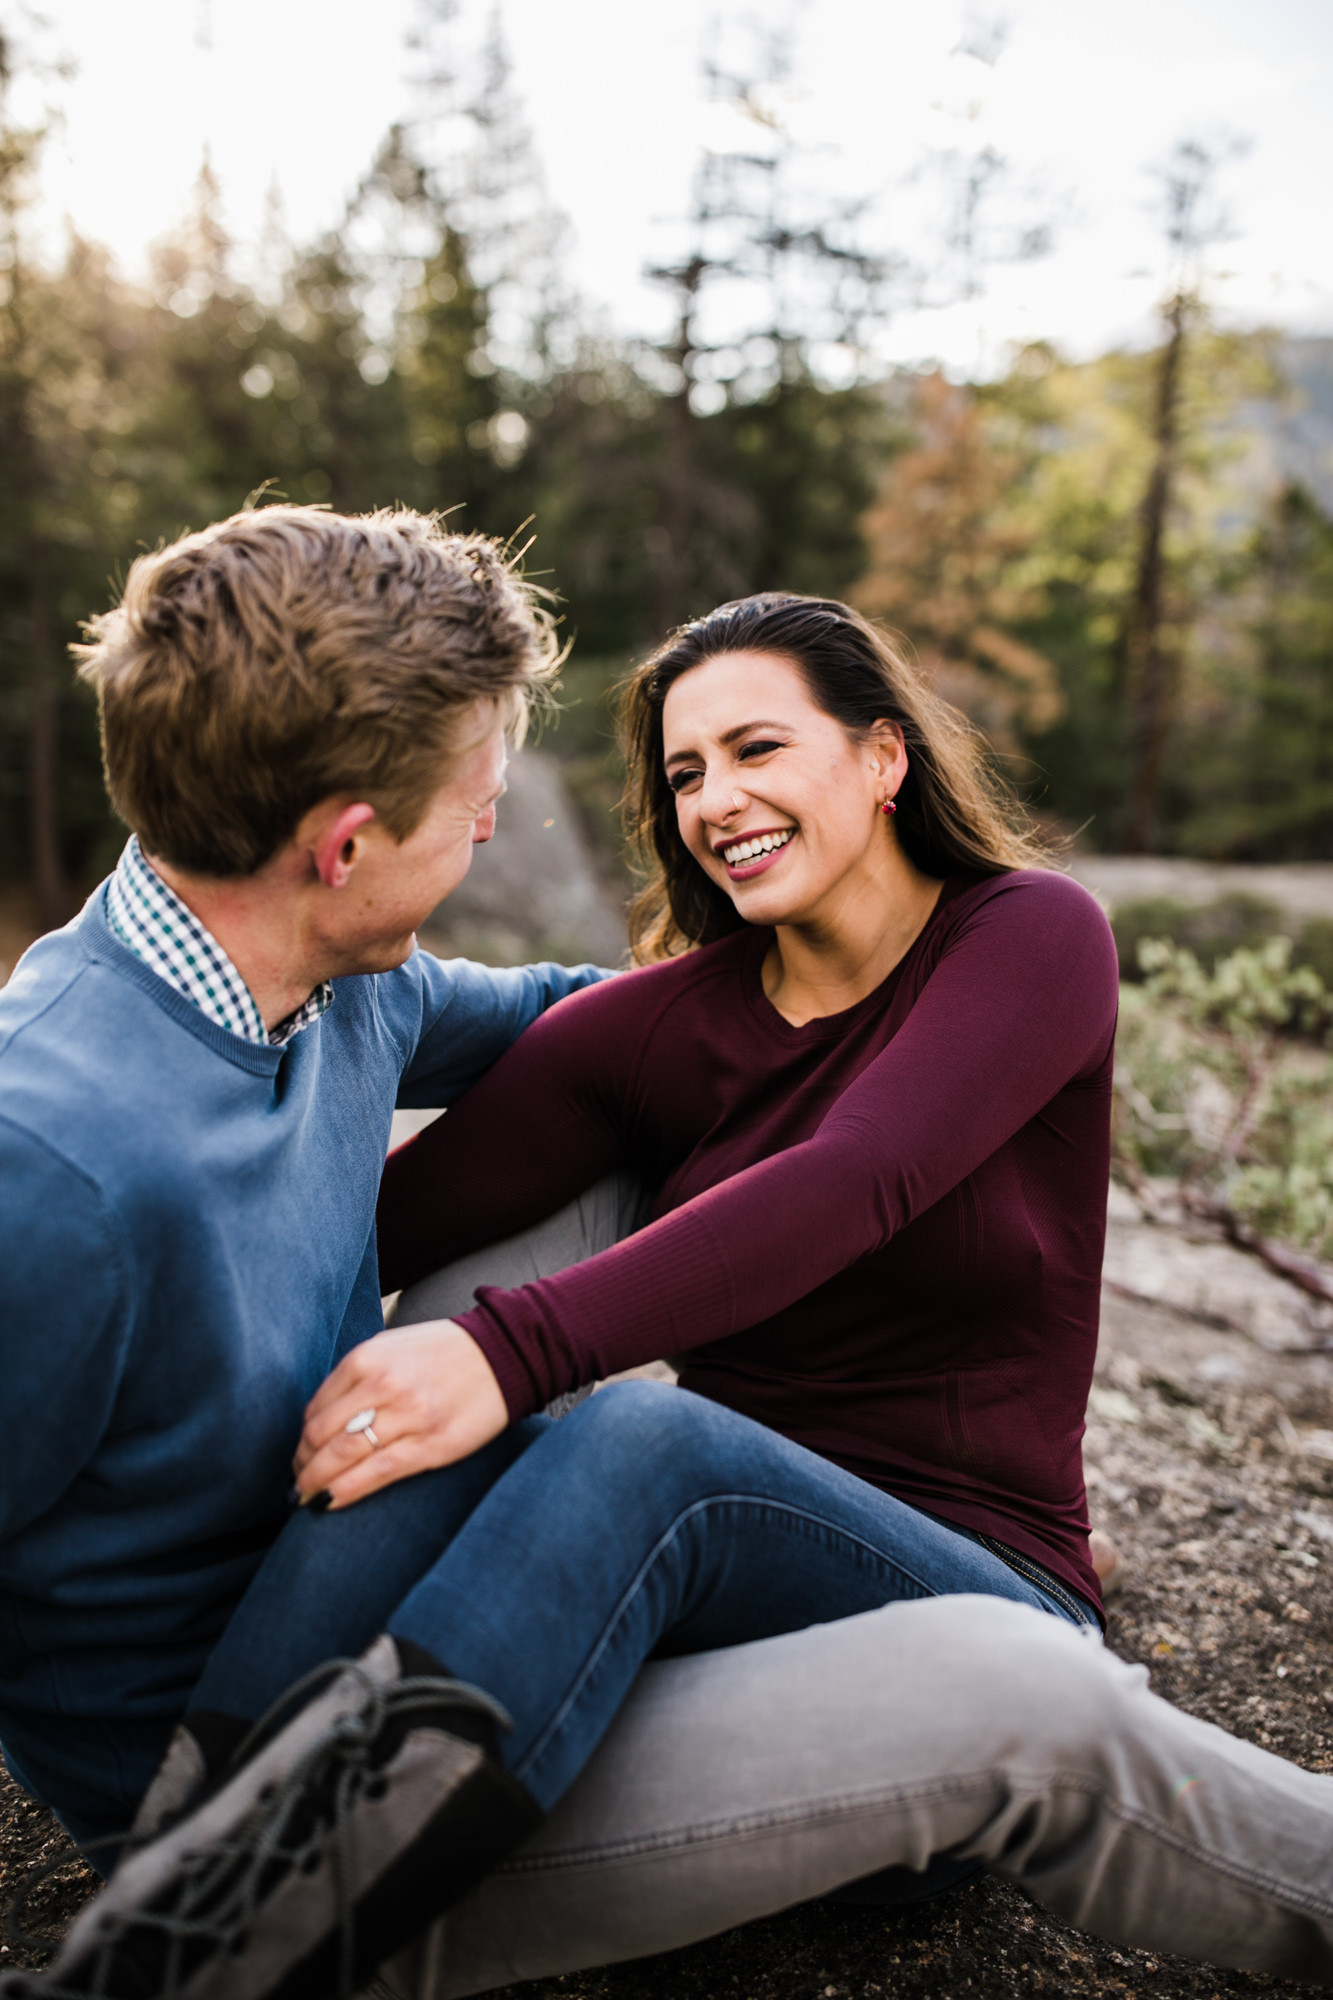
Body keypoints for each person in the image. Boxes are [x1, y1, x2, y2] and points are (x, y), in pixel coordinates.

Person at [20, 593, 1333, 2000]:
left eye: (758, 747)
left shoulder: (1027, 938)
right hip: (690, 1601)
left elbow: (861, 1173)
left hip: (961, 1581)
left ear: (882, 759)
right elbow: (347, 1224)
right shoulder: (659, 1026)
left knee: (627, 1434)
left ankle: (218, 1874)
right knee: (544, 1407)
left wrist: (507, 1352)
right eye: (685, 771)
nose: (716, 798)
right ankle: (216, 1836)